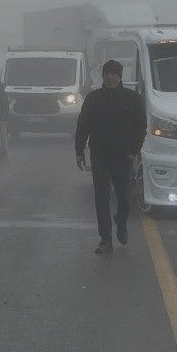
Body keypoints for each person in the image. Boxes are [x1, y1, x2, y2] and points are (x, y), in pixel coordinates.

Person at [74, 60, 147, 254]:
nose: (109, 76)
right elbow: (83, 125)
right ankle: (105, 240)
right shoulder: (94, 98)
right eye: (106, 73)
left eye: (113, 73)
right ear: (102, 75)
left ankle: (121, 221)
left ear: (120, 76)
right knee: (102, 196)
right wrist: (79, 150)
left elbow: (141, 127)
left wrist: (134, 151)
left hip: (124, 156)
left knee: (124, 198)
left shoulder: (132, 98)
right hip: (100, 155)